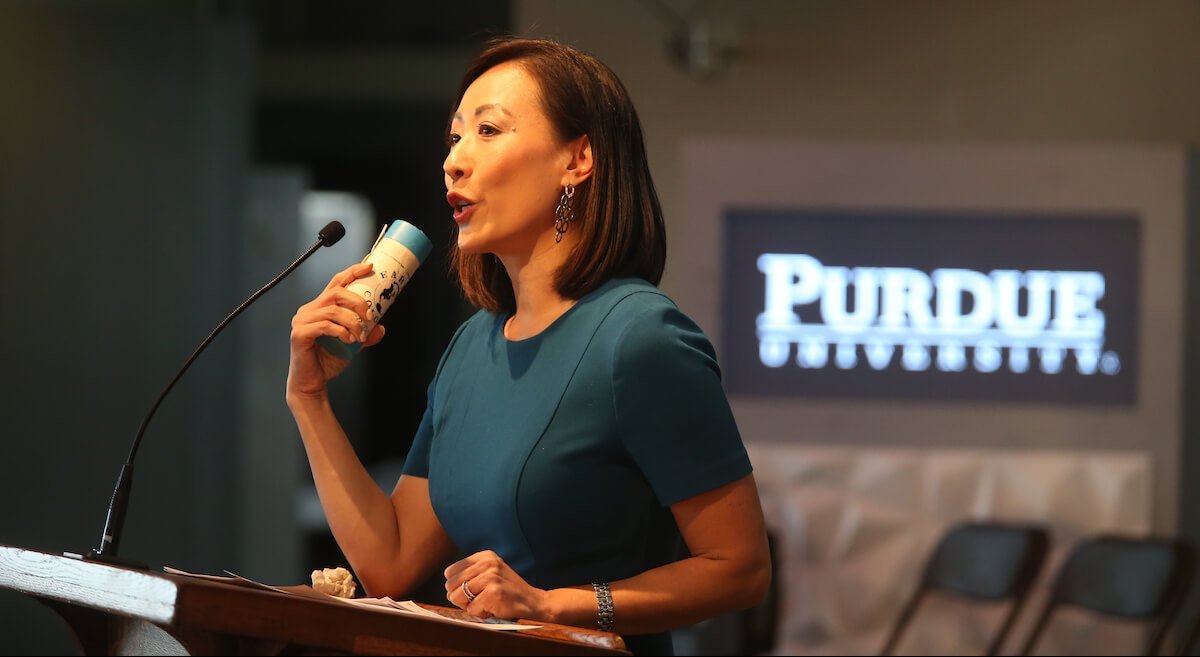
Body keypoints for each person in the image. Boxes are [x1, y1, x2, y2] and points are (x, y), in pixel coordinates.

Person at [286, 37, 771, 655]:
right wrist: (309, 398)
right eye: (455, 138)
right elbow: (393, 561)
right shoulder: (471, 348)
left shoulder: (640, 339)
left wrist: (551, 606)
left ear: (578, 160)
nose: (454, 162)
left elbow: (740, 569)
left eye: (488, 130)